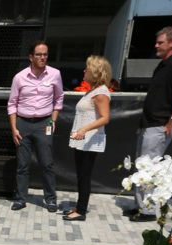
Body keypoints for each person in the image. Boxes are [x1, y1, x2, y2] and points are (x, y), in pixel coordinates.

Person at [129, 26, 172, 222]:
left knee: (149, 169)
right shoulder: (163, 64)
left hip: (159, 125)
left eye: (160, 42)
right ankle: (141, 206)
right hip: (149, 124)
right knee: (142, 167)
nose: (156, 45)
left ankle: (148, 211)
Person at [7, 40, 63, 211]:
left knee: (46, 164)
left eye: (45, 54)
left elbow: (59, 98)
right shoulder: (20, 77)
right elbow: (12, 104)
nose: (42, 57)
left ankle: (51, 199)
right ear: (31, 57)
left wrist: (53, 119)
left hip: (43, 123)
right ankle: (20, 198)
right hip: (23, 124)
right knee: (23, 164)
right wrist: (14, 128)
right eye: (39, 54)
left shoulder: (55, 74)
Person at [64, 56, 112, 222]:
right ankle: (79, 206)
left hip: (90, 140)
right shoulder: (92, 91)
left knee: (84, 175)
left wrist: (84, 128)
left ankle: (81, 211)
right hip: (82, 139)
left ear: (96, 73)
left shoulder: (101, 93)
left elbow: (105, 118)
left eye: (87, 69)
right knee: (81, 175)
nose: (84, 72)